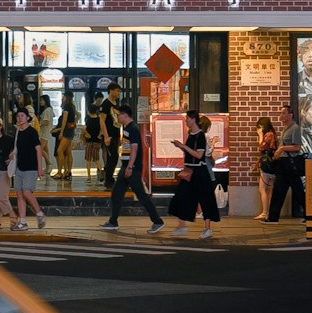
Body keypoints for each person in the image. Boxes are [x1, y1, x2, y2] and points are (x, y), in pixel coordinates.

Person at [104, 103, 165, 231]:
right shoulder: (126, 128)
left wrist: (130, 167)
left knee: (141, 196)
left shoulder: (133, 129)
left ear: (125, 115)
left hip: (132, 168)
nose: (118, 117)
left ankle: (157, 221)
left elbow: (134, 149)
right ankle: (113, 221)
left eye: (119, 115)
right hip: (126, 166)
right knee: (116, 194)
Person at [167, 109, 221, 238]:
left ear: (192, 119)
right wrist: (180, 146)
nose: (186, 121)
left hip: (200, 172)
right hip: (189, 171)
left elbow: (199, 155)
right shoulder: (191, 135)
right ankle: (182, 226)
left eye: (187, 119)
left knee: (205, 199)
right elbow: (191, 152)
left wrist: (183, 146)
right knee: (181, 196)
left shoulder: (200, 135)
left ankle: (207, 229)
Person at [266, 109, 306, 221]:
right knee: (279, 190)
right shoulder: (285, 128)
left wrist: (282, 148)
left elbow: (298, 147)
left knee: (298, 192)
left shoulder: (295, 128)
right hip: (282, 164)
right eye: (280, 113)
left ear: (290, 114)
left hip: (291, 164)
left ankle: (309, 215)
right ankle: (273, 218)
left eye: (283, 113)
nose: (281, 116)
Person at [12, 107, 47, 230]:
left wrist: (39, 167)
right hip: (19, 167)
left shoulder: (32, 132)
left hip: (30, 167)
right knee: (19, 194)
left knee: (26, 192)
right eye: (18, 116)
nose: (19, 118)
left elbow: (38, 149)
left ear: (27, 118)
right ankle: (22, 222)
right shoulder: (18, 132)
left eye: (22, 116)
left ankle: (39, 213)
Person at [255, 116, 280, 219]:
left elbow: (262, 148)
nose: (258, 129)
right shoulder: (272, 134)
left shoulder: (268, 135)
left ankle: (265, 212)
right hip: (273, 164)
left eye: (259, 127)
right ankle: (268, 212)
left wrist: (260, 135)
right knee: (269, 189)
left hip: (267, 166)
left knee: (262, 189)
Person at [56, 100, 78, 181]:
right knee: (68, 152)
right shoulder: (72, 106)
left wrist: (61, 132)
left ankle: (60, 172)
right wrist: (74, 123)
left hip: (67, 131)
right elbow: (78, 115)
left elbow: (64, 119)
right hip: (71, 130)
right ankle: (68, 171)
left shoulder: (67, 107)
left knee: (59, 151)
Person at [82, 94, 103, 178]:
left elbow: (84, 129)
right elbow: (102, 129)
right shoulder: (99, 119)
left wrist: (87, 134)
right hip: (97, 142)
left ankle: (89, 176)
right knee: (97, 159)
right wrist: (99, 135)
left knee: (88, 159)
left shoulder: (88, 120)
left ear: (88, 111)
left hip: (89, 142)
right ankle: (101, 172)